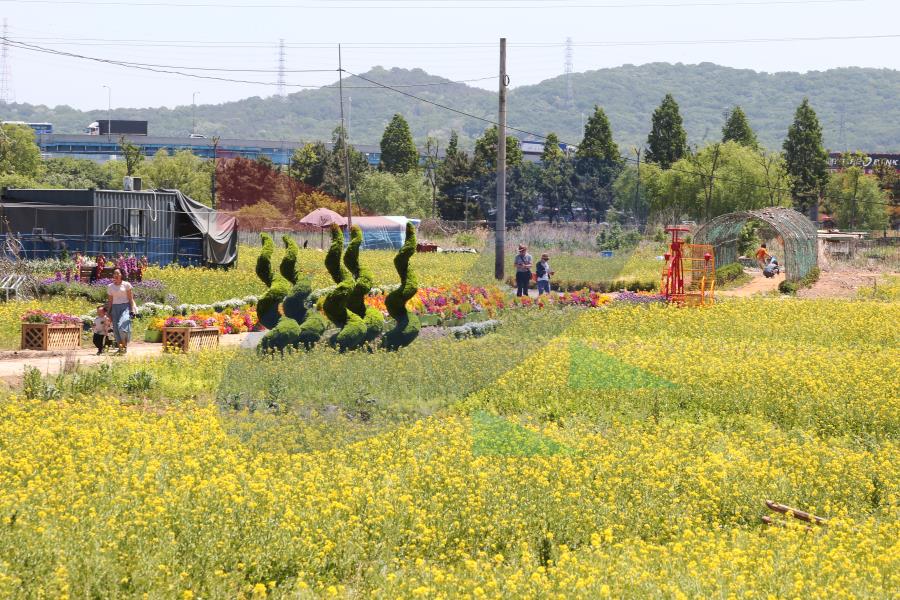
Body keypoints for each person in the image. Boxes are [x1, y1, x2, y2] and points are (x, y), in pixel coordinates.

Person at [106, 268, 137, 355]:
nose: (115, 275)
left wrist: (132, 310)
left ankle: (124, 346)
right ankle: (121, 349)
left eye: (117, 273)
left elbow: (130, 299)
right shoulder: (110, 287)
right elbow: (110, 301)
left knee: (122, 327)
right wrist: (108, 313)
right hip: (115, 308)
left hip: (125, 307)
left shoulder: (126, 285)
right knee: (116, 329)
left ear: (121, 275)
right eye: (114, 273)